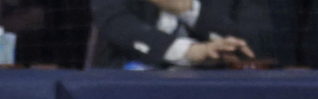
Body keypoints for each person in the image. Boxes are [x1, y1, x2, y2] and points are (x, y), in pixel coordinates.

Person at [91, 0, 255, 68]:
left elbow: (251, 39)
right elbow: (115, 24)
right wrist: (191, 51)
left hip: (212, 88)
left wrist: (189, 10)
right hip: (125, 85)